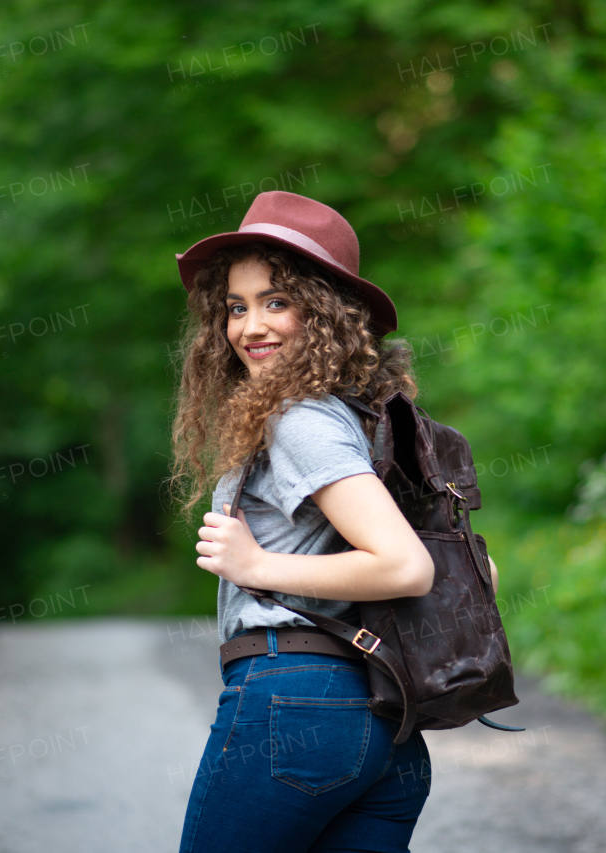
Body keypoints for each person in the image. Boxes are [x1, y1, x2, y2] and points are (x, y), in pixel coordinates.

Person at [169, 190, 491, 852]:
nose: (248, 325)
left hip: (295, 707)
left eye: (275, 301)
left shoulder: (302, 418)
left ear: (325, 312)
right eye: (236, 306)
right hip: (382, 722)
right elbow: (475, 566)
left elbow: (406, 564)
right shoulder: (363, 420)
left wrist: (256, 565)